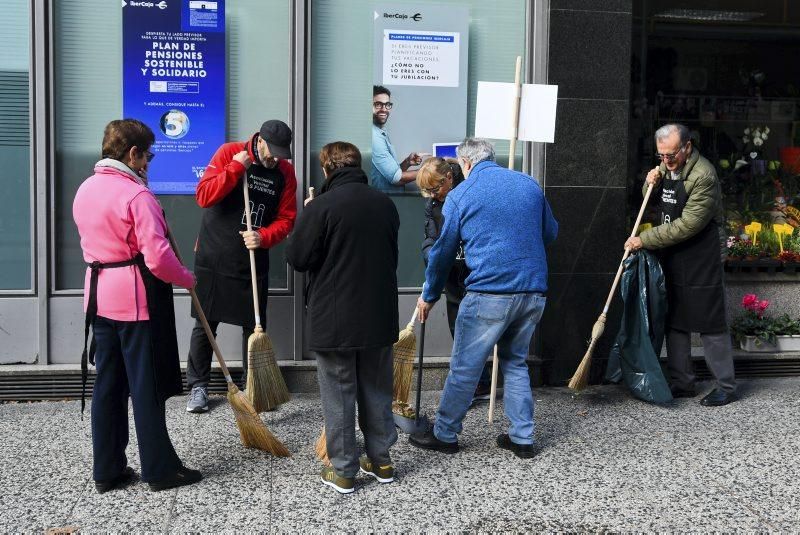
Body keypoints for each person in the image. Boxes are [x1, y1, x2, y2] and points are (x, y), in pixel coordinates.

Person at [73, 119, 202, 492]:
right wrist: (187, 278)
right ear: (133, 153)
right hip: (134, 300)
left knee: (108, 385)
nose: (148, 162)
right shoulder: (137, 196)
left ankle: (108, 469)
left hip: (98, 298)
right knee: (146, 387)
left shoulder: (85, 188)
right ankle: (160, 470)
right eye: (148, 154)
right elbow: (158, 259)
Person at [411, 138, 558, 459]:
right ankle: (522, 438)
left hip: (489, 294)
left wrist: (429, 294)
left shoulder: (461, 195)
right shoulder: (528, 185)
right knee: (515, 362)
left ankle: (446, 434)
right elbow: (550, 233)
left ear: (464, 163)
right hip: (533, 292)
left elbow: (442, 253)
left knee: (465, 367)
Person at [286, 142, 399, 494]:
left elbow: (299, 258)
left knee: (338, 391)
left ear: (326, 169)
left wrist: (307, 217)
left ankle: (345, 469)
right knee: (377, 388)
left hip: (335, 318)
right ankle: (381, 461)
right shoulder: (385, 203)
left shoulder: (321, 206)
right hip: (379, 314)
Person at [185, 120, 297, 413]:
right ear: (259, 141)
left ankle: (253, 386)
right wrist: (235, 168)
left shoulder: (285, 172)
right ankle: (198, 386)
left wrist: (263, 236)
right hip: (214, 253)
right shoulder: (229, 152)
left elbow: (287, 219)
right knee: (206, 322)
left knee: (255, 324)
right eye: (271, 152)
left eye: (281, 155)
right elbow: (203, 196)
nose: (275, 159)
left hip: (252, 254)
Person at [625, 123, 736, 407]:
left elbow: (688, 225)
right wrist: (650, 183)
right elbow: (651, 199)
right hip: (673, 252)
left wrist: (644, 239)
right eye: (661, 155)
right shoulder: (665, 166)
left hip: (702, 253)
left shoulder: (704, 176)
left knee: (710, 321)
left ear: (687, 147)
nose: (665, 161)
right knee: (675, 318)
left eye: (671, 155)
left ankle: (725, 385)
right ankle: (682, 382)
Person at [417, 157, 498, 402]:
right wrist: (434, 258)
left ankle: (474, 385)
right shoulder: (433, 204)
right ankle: (479, 383)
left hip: (477, 271)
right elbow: (431, 238)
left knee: (478, 330)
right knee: (458, 329)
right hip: (453, 274)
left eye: (435, 188)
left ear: (449, 179)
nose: (432, 195)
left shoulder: (469, 189)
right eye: (427, 191)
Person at [371, 85, 423, 192]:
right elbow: (396, 179)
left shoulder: (381, 132)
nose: (384, 109)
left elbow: (392, 173)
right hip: (382, 201)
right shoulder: (374, 136)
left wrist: (407, 162)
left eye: (387, 105)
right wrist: (430, 170)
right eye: (378, 104)